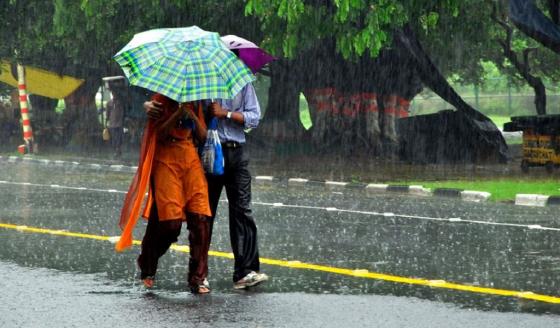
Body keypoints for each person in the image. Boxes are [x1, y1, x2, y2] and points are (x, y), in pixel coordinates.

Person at [115, 93, 212, 294]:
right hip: (165, 158)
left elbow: (203, 135)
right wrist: (176, 114)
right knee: (170, 224)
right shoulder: (159, 100)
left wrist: (192, 116)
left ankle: (197, 278)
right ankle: (147, 261)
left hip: (190, 157)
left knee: (201, 219)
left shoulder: (195, 100)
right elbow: (157, 133)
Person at [207, 83, 269, 289]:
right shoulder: (202, 83)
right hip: (210, 153)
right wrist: (208, 114)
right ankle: (199, 272)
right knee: (204, 213)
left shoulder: (242, 84)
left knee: (242, 211)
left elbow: (254, 117)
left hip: (237, 152)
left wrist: (227, 113)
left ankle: (245, 271)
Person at [106, 89, 126, 158]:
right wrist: (107, 121)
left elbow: (123, 112)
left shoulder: (120, 102)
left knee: (119, 137)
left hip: (119, 123)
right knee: (114, 137)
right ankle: (116, 150)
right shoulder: (109, 103)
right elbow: (107, 113)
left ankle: (118, 150)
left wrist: (122, 120)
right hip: (112, 123)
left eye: (115, 94)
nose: (114, 95)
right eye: (113, 94)